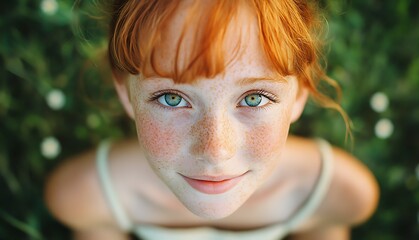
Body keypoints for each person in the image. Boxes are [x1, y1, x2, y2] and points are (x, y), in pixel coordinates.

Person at [44, 0, 379, 239]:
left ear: (300, 95)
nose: (215, 151)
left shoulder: (335, 194)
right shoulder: (90, 197)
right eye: (172, 98)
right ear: (125, 94)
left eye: (253, 98)